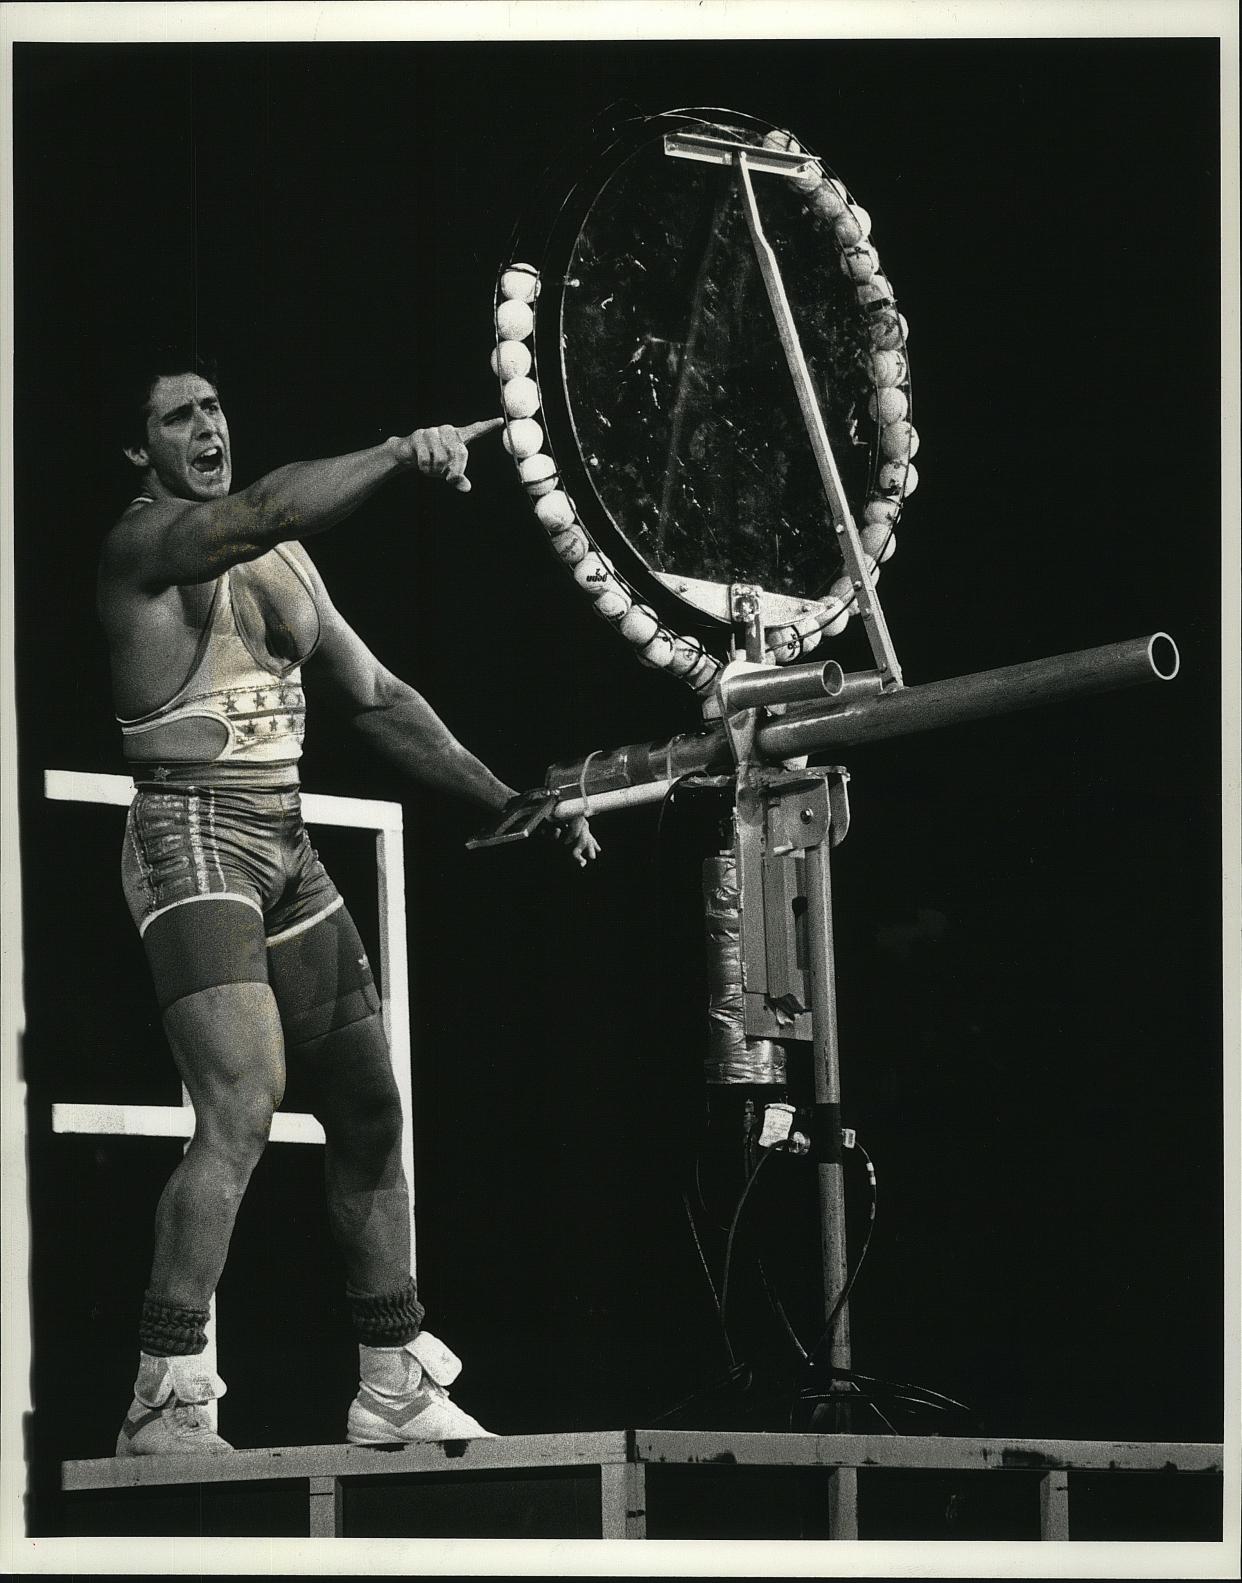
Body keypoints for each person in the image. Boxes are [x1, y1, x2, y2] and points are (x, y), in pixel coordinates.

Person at [98, 359, 599, 1457]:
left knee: (370, 1105)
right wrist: (397, 449)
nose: (207, 426)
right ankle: (165, 1394)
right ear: (140, 450)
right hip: (190, 834)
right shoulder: (145, 546)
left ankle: (391, 1382)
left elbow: (377, 697)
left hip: (280, 840)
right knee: (243, 1101)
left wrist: (512, 796)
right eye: (178, 416)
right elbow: (265, 503)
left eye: (217, 405)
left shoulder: (283, 559)